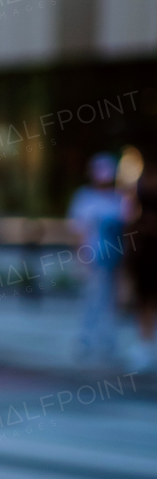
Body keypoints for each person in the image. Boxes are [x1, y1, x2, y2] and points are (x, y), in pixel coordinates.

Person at [67, 152, 126, 360]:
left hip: (115, 259)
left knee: (112, 302)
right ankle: (86, 339)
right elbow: (78, 231)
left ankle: (108, 341)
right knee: (91, 300)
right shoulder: (85, 197)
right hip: (93, 258)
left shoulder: (119, 199)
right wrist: (81, 258)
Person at [123, 152, 157, 371]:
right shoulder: (138, 196)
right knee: (143, 302)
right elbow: (129, 222)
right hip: (144, 256)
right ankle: (145, 345)